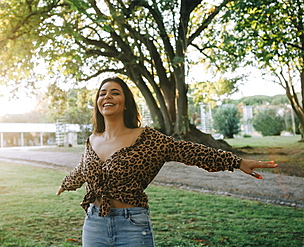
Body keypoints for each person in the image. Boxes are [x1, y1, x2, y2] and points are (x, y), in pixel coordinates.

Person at [56, 77, 278, 246]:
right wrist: (67, 183)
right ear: (97, 103)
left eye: (115, 93)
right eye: (102, 93)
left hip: (132, 225)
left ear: (126, 104)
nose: (107, 97)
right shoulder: (92, 140)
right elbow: (82, 170)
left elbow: (189, 151)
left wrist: (236, 162)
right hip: (94, 224)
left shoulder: (147, 139)